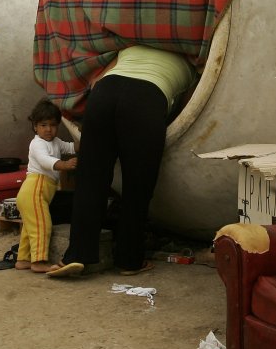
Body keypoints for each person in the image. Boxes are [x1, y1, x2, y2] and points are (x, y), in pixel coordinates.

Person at [47, 44, 194, 278]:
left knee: (90, 180)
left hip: (103, 94)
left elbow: (98, 80)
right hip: (146, 99)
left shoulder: (128, 47)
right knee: (137, 186)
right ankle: (129, 260)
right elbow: (187, 109)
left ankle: (76, 255)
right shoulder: (190, 61)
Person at [15, 99, 77, 273]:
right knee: (42, 226)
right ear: (35, 126)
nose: (48, 129)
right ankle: (39, 261)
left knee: (29, 229)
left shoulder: (56, 142)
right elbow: (44, 161)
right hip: (35, 189)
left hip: (37, 192)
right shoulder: (37, 144)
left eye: (53, 125)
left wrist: (82, 139)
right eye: (43, 125)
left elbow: (71, 147)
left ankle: (23, 259)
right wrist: (64, 165)